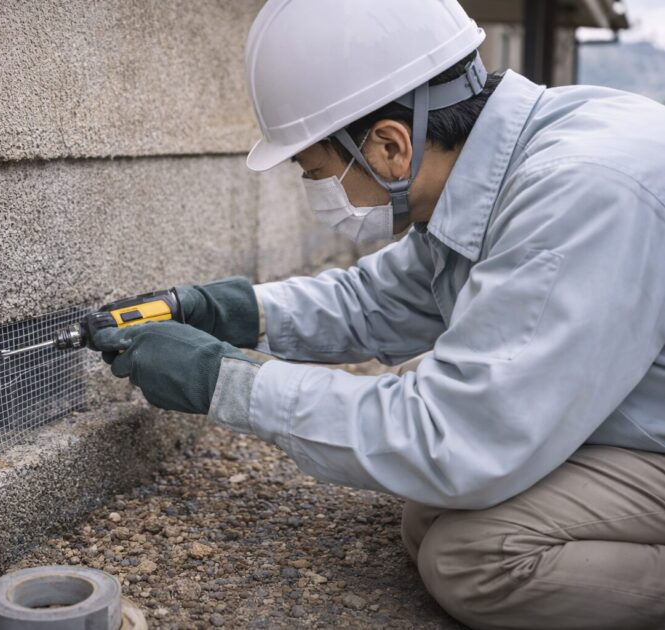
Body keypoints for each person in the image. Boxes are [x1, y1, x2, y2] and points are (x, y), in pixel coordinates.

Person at [93, 1, 665, 627]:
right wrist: (225, 311)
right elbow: (375, 302)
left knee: (471, 558)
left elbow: (454, 439)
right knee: (429, 513)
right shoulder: (497, 165)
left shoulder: (579, 198)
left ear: (390, 146)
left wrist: (224, 382)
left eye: (315, 172)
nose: (315, 192)